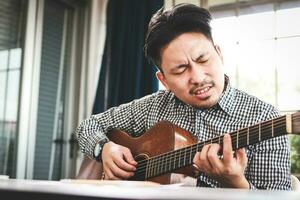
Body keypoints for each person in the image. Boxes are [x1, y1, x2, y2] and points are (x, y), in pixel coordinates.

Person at [75, 3, 291, 190]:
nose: (197, 77)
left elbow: (277, 197)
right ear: (164, 80)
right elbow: (87, 126)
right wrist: (104, 148)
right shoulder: (152, 107)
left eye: (203, 59)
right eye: (180, 70)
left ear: (219, 53)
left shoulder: (266, 117)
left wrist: (235, 182)